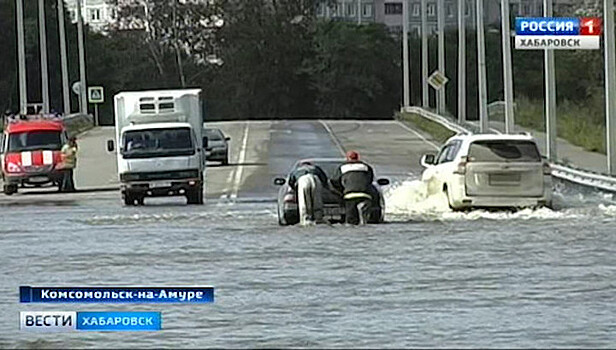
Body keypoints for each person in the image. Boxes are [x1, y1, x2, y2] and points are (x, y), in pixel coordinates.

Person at [330, 151, 375, 225]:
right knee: (366, 220)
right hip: (365, 195)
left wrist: (342, 190)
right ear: (358, 157)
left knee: (351, 221)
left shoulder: (342, 167)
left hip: (350, 195)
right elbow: (370, 179)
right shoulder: (366, 167)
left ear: (348, 158)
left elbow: (334, 181)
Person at [288, 161, 329, 225]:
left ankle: (306, 219)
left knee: (304, 201)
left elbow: (291, 182)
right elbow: (324, 179)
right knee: (317, 200)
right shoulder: (316, 168)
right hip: (315, 179)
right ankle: (318, 218)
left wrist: (295, 190)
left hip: (303, 180)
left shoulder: (296, 170)